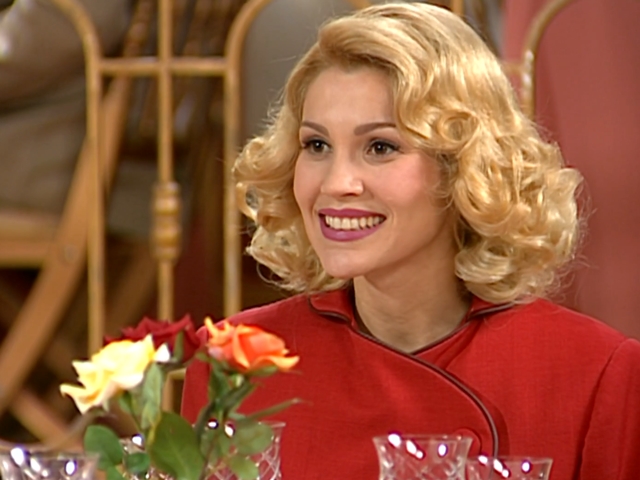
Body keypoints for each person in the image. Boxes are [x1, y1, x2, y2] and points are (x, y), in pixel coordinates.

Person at [182, 3, 640, 479]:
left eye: (380, 147)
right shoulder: (233, 364)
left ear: (463, 168)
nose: (336, 183)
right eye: (317, 145)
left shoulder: (595, 375)